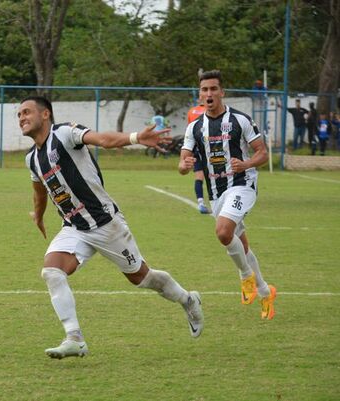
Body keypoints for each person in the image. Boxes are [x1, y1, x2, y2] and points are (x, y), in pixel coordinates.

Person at [19, 95, 204, 359]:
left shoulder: (64, 134)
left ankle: (188, 299)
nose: (22, 118)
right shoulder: (32, 159)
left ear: (45, 114)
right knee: (52, 272)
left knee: (142, 277)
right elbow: (39, 190)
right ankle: (75, 338)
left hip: (106, 224)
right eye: (19, 115)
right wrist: (38, 216)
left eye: (27, 112)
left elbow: (103, 140)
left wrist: (136, 137)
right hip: (74, 227)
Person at [178, 70, 276, 320]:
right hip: (216, 192)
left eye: (213, 89)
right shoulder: (194, 127)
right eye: (204, 90)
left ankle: (245, 276)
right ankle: (265, 291)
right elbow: (182, 163)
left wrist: (246, 164)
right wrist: (184, 166)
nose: (209, 94)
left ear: (222, 92)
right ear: (199, 94)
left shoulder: (240, 120)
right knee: (241, 245)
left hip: (242, 184)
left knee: (223, 232)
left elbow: (262, 153)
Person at [187, 101, 209, 214]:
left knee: (199, 176)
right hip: (211, 146)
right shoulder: (211, 109)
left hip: (196, 147)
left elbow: (190, 129)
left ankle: (201, 202)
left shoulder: (191, 111)